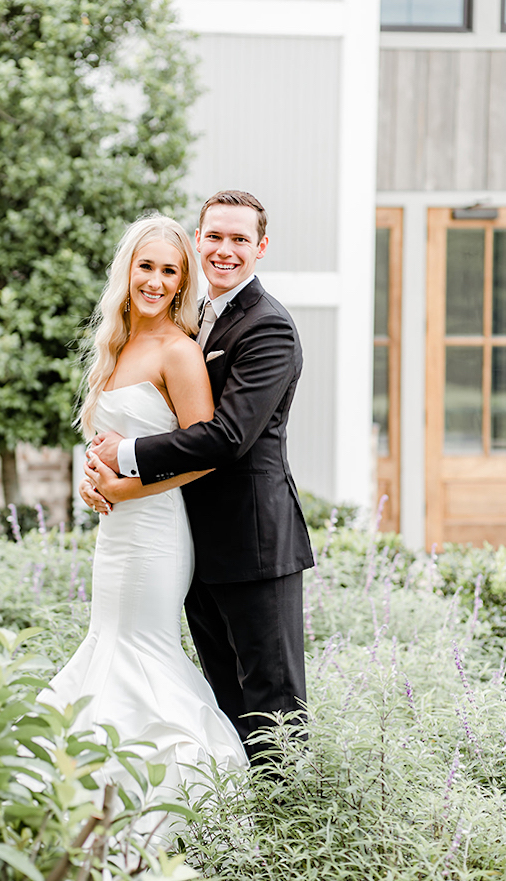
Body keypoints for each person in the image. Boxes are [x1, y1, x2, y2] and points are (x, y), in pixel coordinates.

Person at [84, 191, 314, 761]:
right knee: (224, 702)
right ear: (198, 240)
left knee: (274, 706)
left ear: (261, 247)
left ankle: (286, 831)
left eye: (240, 239)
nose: (225, 249)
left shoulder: (269, 327)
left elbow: (229, 437)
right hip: (190, 540)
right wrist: (96, 474)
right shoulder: (195, 319)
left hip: (253, 542)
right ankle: (230, 824)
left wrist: (126, 456)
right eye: (214, 236)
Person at [39, 214, 248, 798]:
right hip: (116, 531)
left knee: (139, 649)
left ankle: (181, 787)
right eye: (146, 267)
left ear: (183, 283)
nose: (155, 281)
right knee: (106, 643)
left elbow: (205, 452)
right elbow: (111, 442)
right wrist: (93, 480)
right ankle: (91, 790)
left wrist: (127, 488)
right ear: (127, 271)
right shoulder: (118, 344)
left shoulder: (178, 352)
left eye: (170, 271)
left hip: (156, 529)